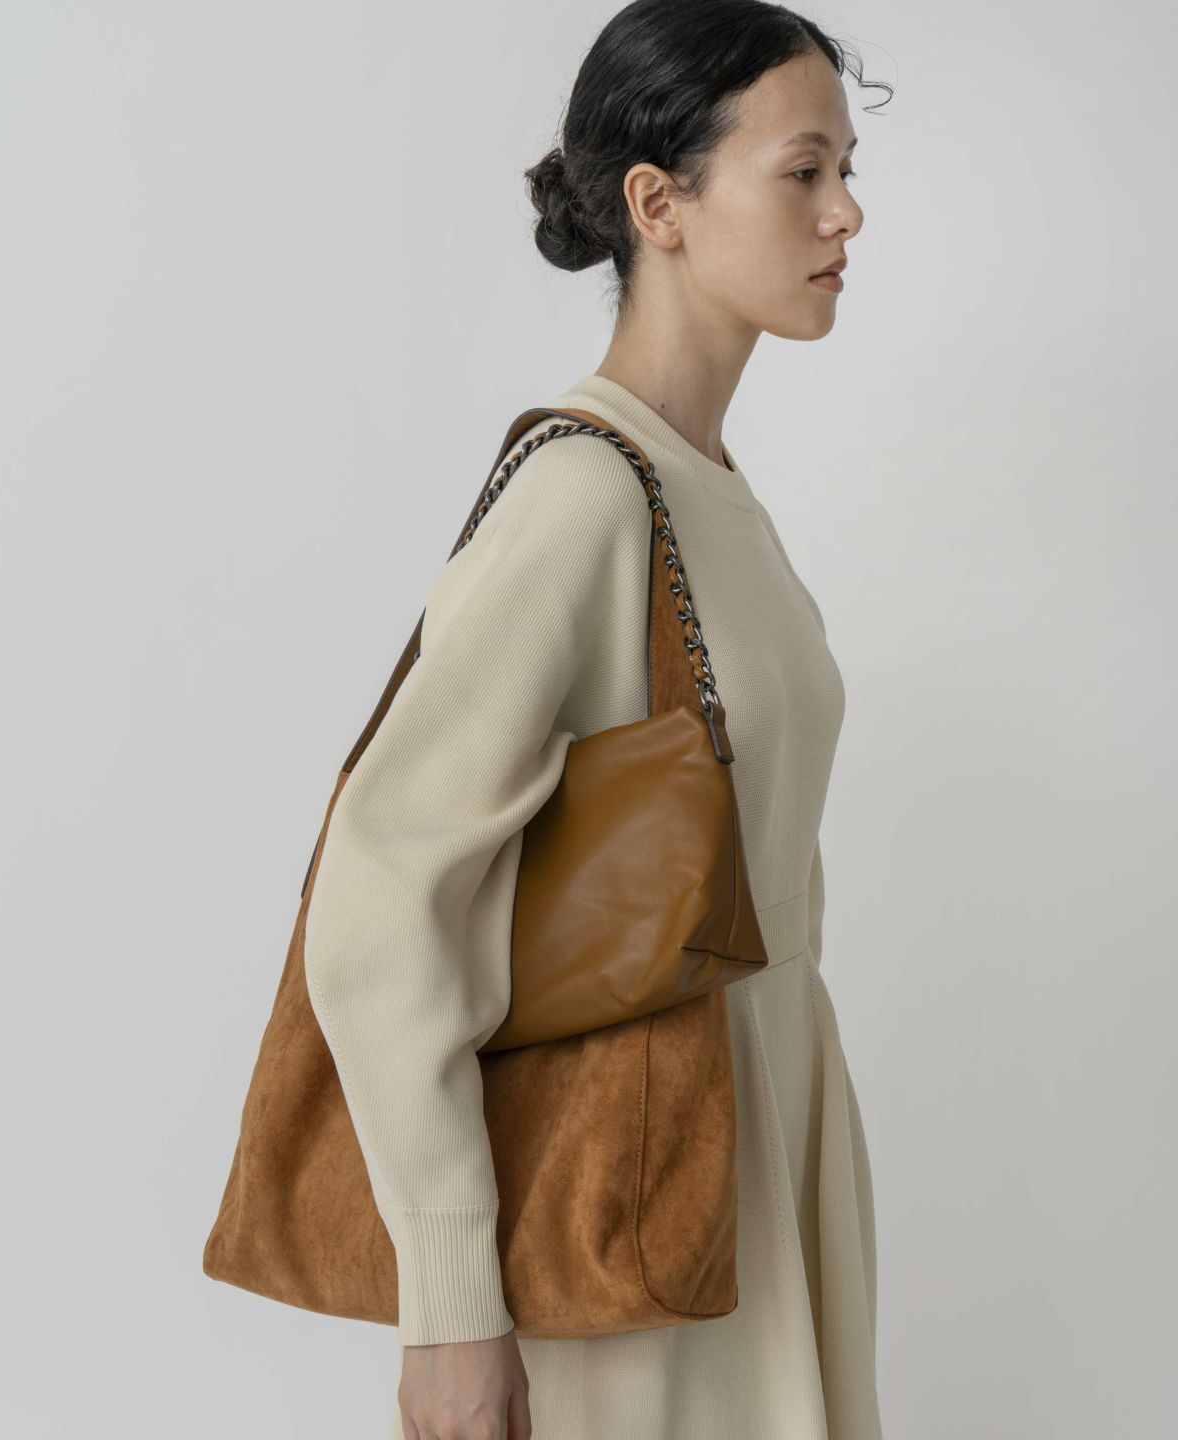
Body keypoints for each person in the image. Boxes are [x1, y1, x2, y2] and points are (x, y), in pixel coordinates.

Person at [302, 1, 893, 1435]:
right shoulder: (586, 494)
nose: (847, 212)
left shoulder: (703, 486)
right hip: (642, 1183)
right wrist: (452, 1302)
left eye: (847, 169)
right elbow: (381, 895)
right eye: (802, 171)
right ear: (658, 204)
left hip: (756, 1134)